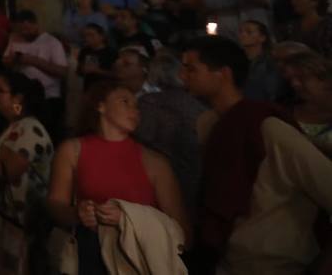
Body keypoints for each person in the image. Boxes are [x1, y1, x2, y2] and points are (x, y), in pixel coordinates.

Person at [182, 35, 332, 275]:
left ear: (223, 74)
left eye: (191, 69)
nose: (183, 76)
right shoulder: (207, 123)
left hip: (275, 262)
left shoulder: (266, 126)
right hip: (228, 259)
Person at [47, 78, 189, 275]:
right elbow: (55, 204)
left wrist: (129, 218)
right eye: (125, 102)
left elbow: (181, 229)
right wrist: (77, 213)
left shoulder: (154, 162)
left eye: (136, 105)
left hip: (136, 260)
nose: (135, 110)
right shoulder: (73, 150)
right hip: (89, 255)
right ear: (101, 106)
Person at [0, 72, 54, 275]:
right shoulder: (17, 127)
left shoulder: (28, 129)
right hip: (10, 218)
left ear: (18, 99)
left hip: (22, 221)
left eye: (1, 91)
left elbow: (8, 172)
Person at [134, 51, 206, 221]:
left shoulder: (149, 103)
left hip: (159, 175)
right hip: (192, 173)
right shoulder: (197, 103)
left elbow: (144, 137)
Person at [3, 10, 68, 138]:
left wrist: (32, 60)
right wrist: (13, 60)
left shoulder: (51, 42)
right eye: (21, 28)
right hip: (24, 98)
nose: (24, 32)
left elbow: (62, 71)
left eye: (28, 28)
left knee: (47, 134)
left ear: (36, 25)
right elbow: (5, 61)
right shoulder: (15, 40)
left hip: (48, 97)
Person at [281, 51, 332, 158]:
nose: (295, 84)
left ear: (325, 79)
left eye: (302, 77)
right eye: (290, 79)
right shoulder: (285, 112)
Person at [239, 20, 281, 102]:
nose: (242, 35)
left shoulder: (269, 62)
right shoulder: (237, 60)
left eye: (248, 32)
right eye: (241, 31)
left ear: (262, 38)